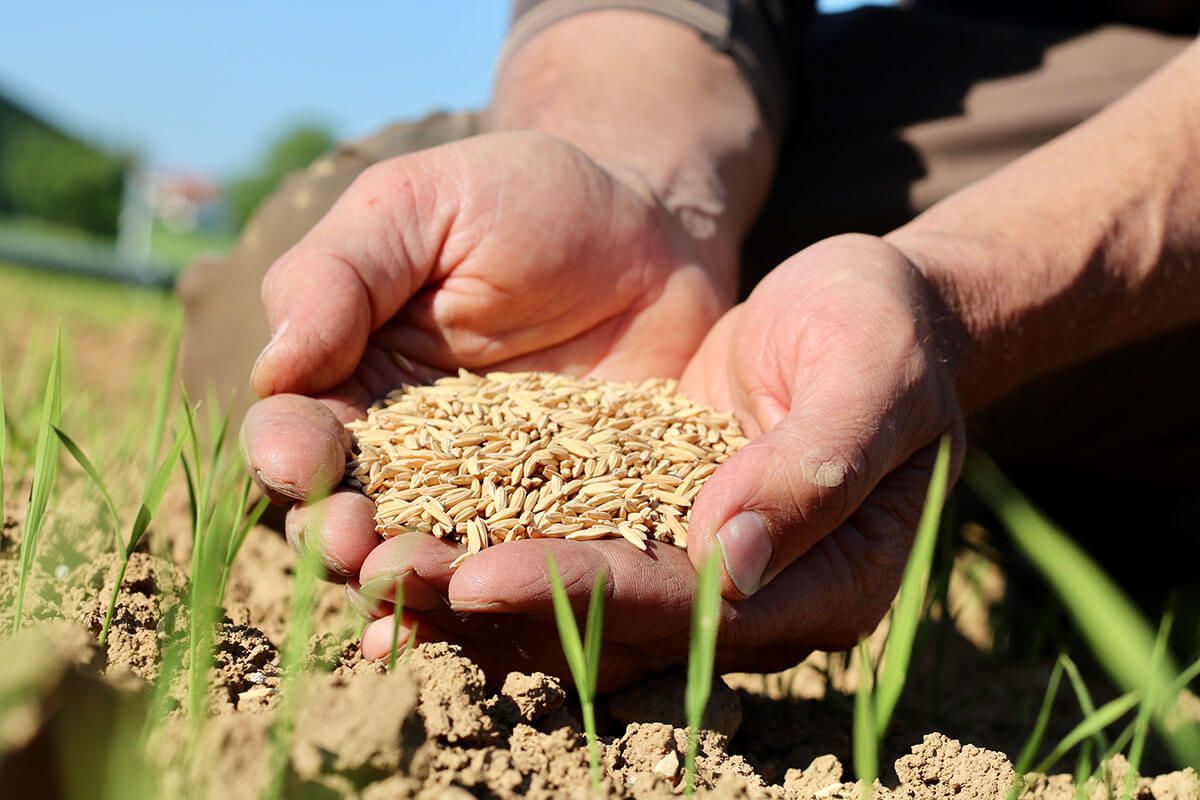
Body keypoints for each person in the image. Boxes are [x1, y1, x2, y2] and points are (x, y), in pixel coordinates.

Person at [184, 2, 1200, 686]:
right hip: (999, 57)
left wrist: (963, 296)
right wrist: (640, 177)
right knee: (285, 321)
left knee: (877, 335)